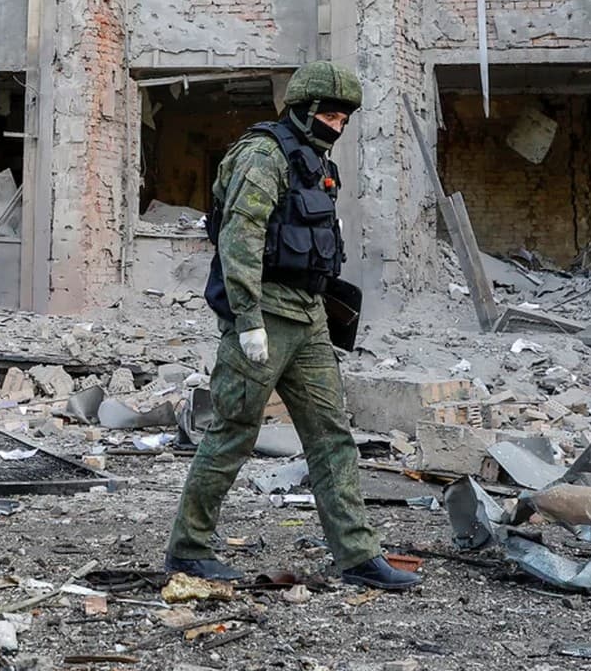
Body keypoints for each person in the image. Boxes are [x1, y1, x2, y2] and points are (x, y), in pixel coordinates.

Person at [164, 61, 420, 591]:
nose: (338, 123)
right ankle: (188, 550)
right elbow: (240, 240)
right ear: (302, 110)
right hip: (264, 315)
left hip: (308, 317)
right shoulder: (264, 154)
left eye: (344, 115)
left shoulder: (314, 160)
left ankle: (357, 556)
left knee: (332, 437)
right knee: (233, 432)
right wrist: (248, 319)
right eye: (329, 112)